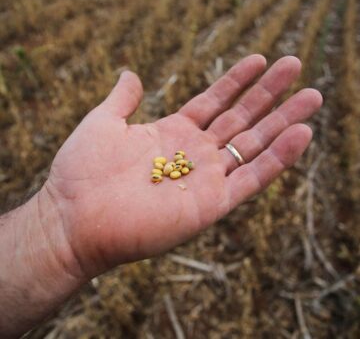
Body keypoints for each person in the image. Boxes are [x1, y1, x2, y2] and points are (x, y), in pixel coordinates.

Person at [0, 55, 322, 338]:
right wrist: (57, 223)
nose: (169, 171)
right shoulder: (167, 170)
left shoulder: (173, 168)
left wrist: (53, 229)